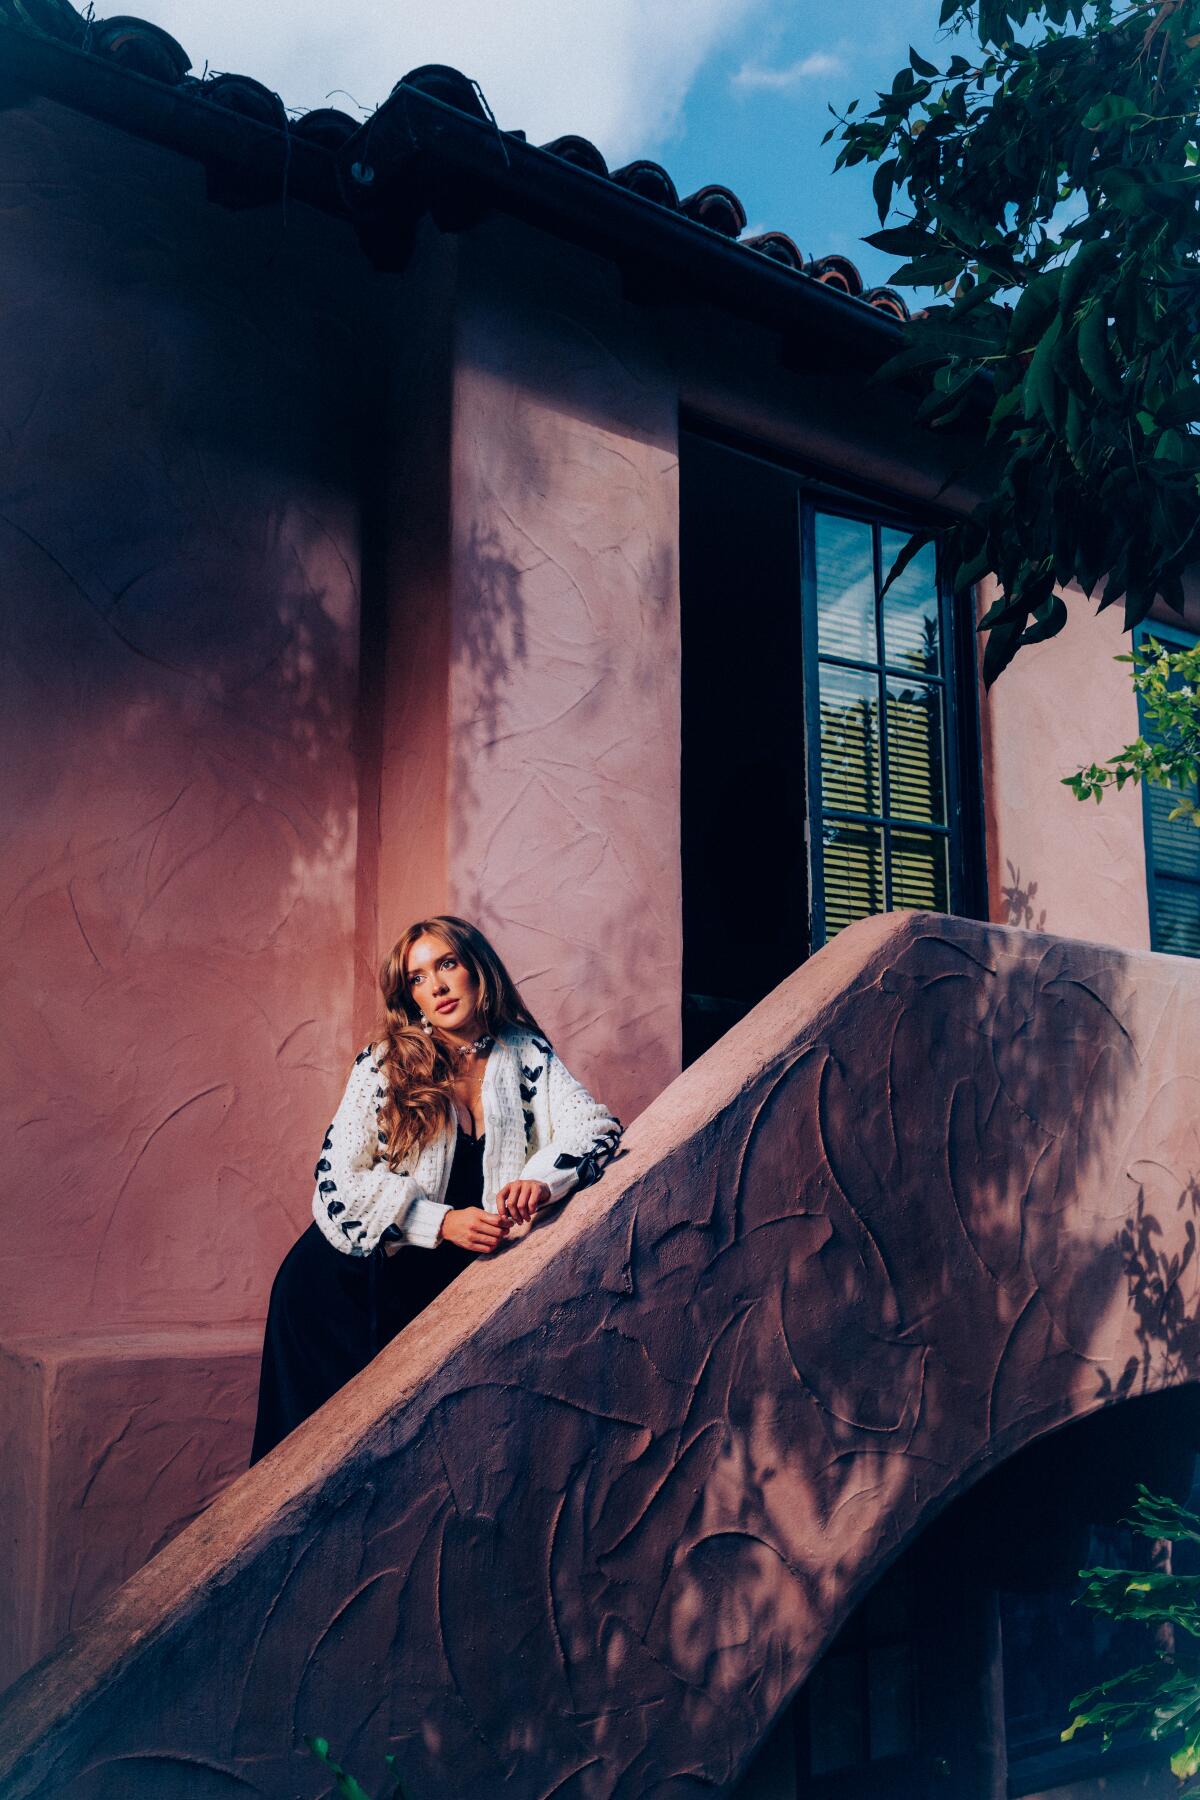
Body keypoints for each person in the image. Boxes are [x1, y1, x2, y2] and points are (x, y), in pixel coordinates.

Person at [249, 915, 622, 1464]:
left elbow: (595, 1128)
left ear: (477, 968)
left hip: (423, 1297)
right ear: (411, 996)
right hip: (337, 1291)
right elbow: (338, 1179)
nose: (437, 986)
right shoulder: (385, 1065)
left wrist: (539, 1183)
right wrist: (442, 1222)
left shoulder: (527, 1055)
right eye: (418, 978)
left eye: (447, 964)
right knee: (303, 1472)